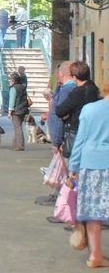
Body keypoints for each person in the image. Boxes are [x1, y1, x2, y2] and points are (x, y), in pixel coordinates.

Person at [66, 81, 109, 269]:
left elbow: (80, 140)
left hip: (91, 165)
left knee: (93, 212)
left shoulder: (89, 110)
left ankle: (95, 255)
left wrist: (73, 167)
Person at [36, 60, 76, 207]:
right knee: (63, 168)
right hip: (62, 136)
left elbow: (60, 114)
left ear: (62, 73)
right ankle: (60, 194)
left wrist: (56, 141)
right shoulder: (64, 89)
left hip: (64, 137)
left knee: (66, 168)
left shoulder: (67, 90)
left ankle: (64, 198)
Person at [55, 61, 100, 159]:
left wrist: (67, 115)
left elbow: (60, 111)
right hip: (93, 131)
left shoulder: (77, 92)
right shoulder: (95, 89)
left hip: (76, 129)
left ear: (74, 77)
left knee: (74, 160)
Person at [7, 72, 29, 151]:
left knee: (17, 128)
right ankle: (14, 144)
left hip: (16, 111)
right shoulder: (23, 87)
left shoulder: (13, 88)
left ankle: (20, 145)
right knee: (18, 127)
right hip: (24, 109)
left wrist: (10, 111)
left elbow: (12, 101)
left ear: (13, 80)